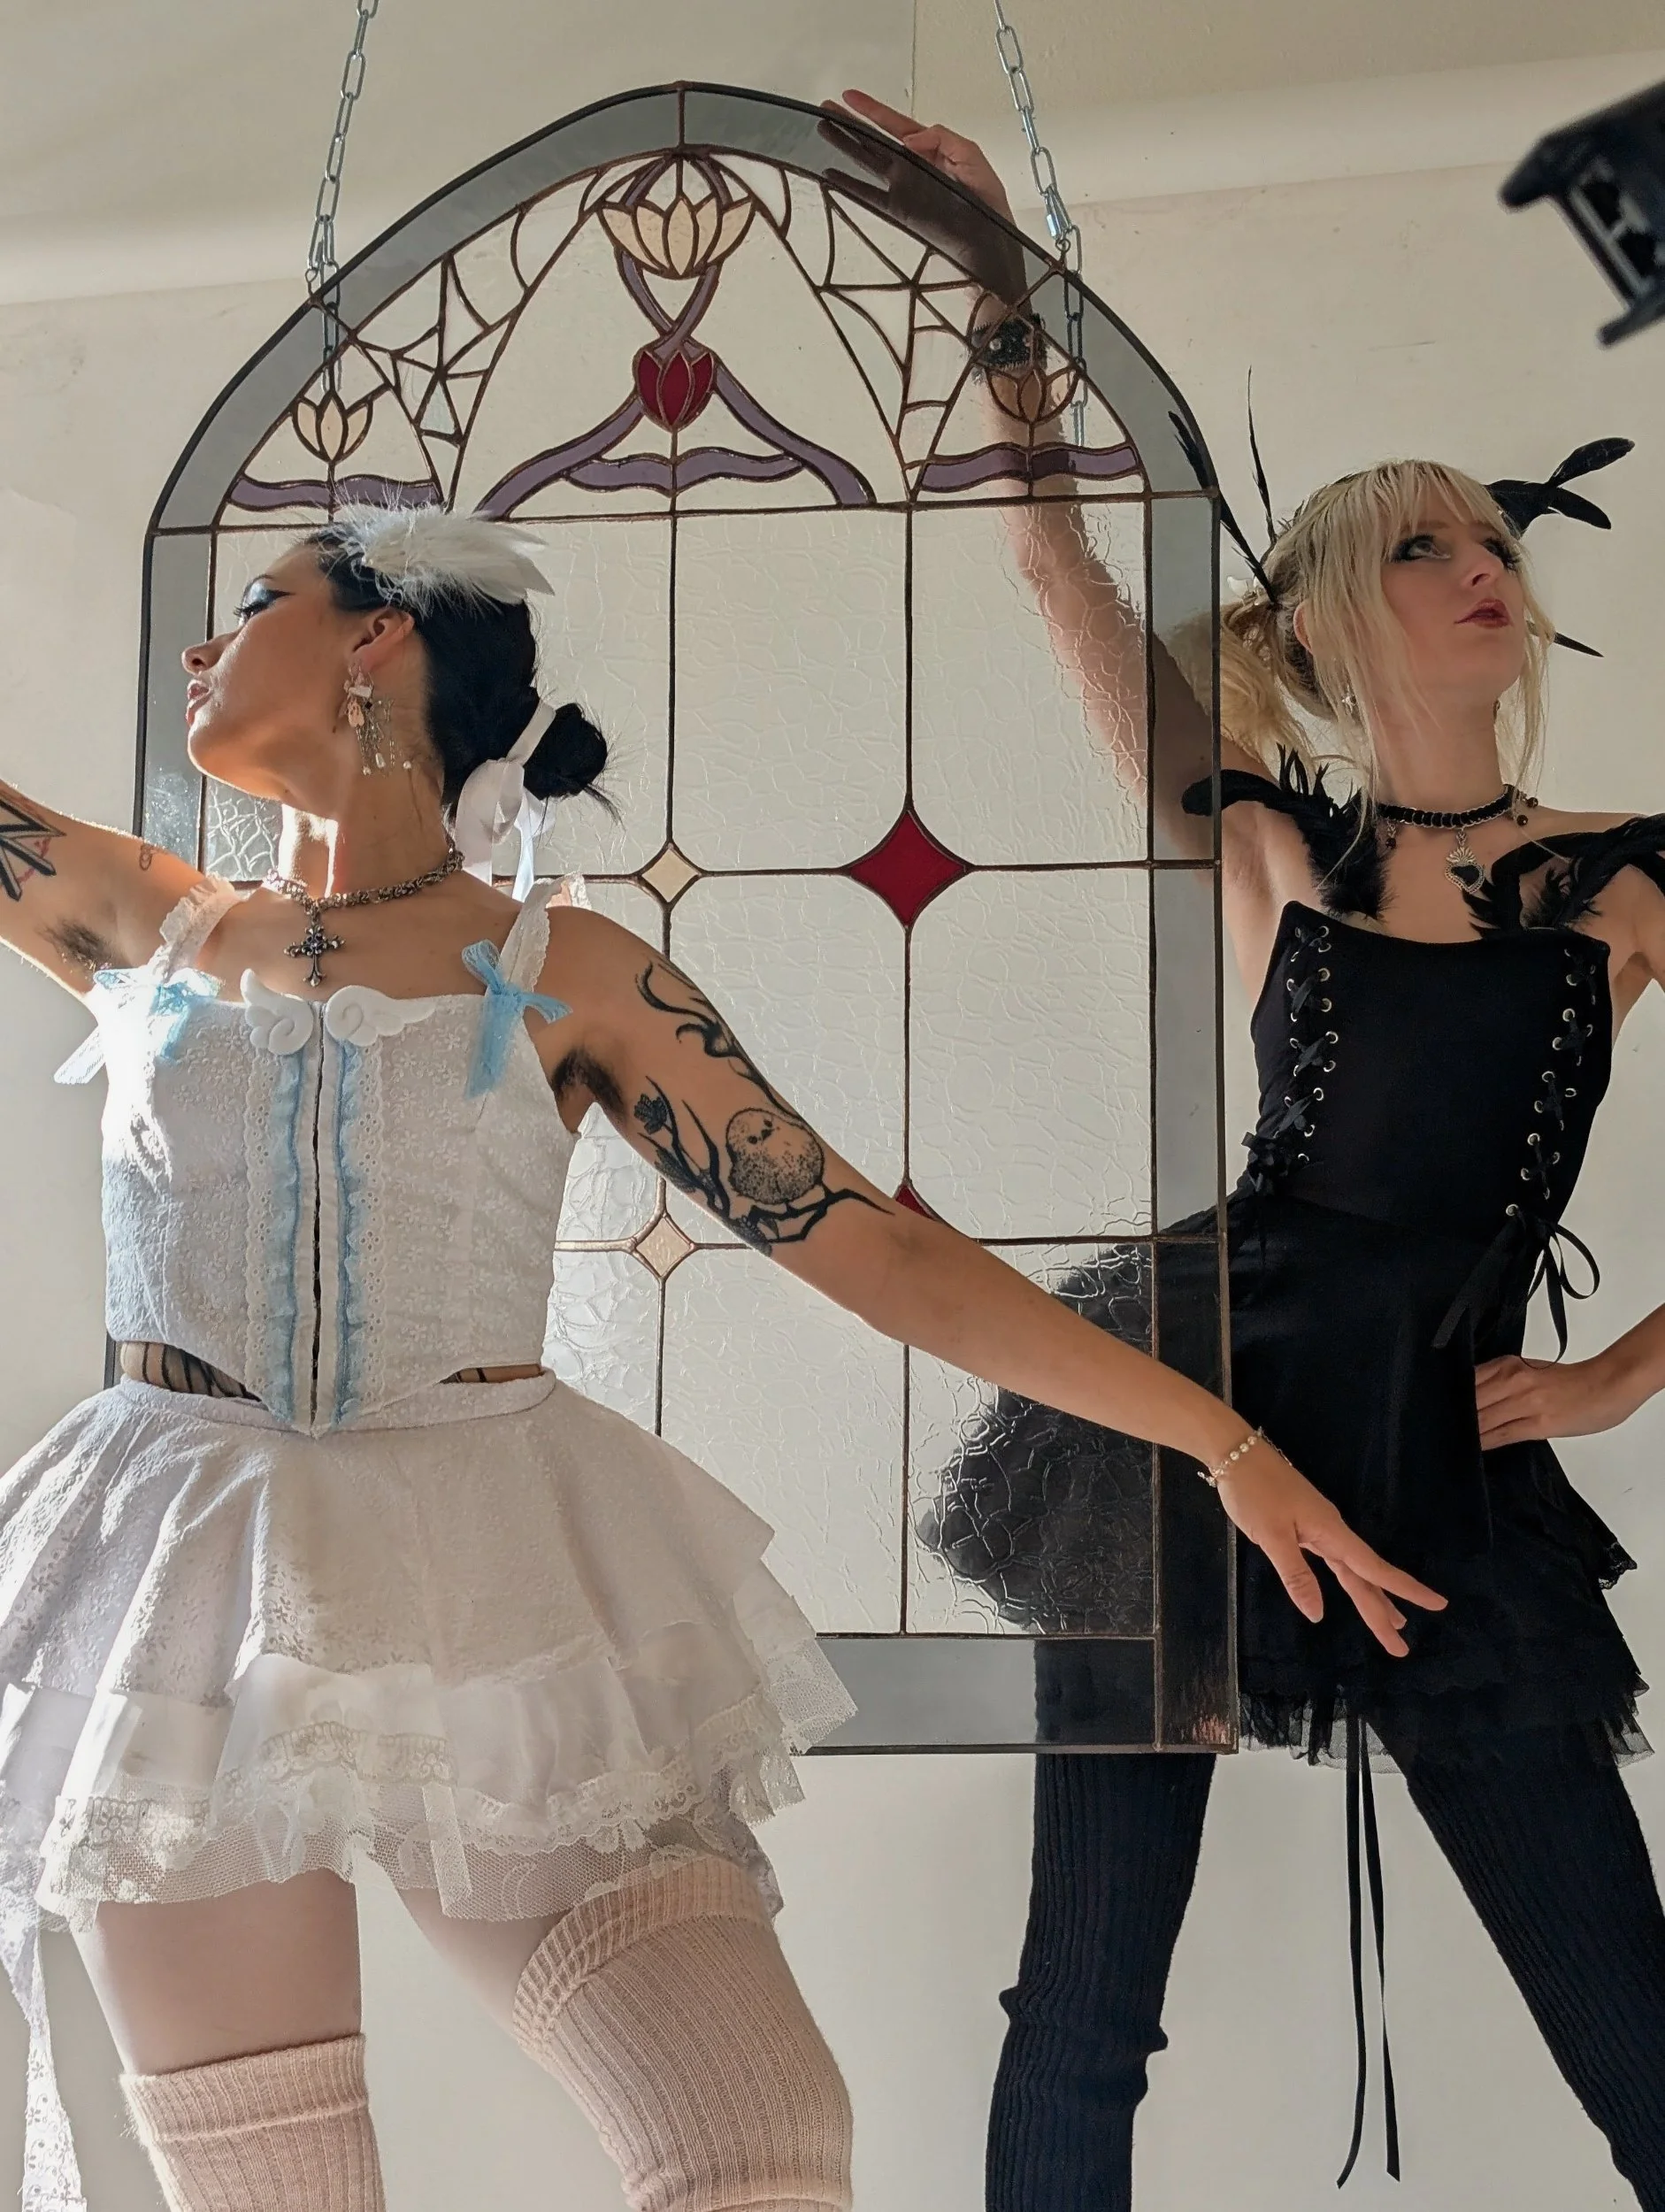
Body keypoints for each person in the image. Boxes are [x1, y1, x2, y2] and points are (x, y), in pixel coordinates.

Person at [0, 503, 1433, 2212]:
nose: (199, 650)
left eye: (256, 605)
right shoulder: (142, 920)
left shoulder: (572, 974)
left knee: (754, 2141)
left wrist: (1225, 1445)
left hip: (486, 1574)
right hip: (170, 1593)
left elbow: (881, 1251)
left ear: (378, 636)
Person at [833, 88, 1665, 2212]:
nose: (1480, 566)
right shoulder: (1271, 841)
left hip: (1448, 1458)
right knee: (1083, 2001)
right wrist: (989, 279)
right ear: (1312, 623)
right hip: (1183, 1418)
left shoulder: (1630, 876)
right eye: (1419, 544)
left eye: (1490, 537)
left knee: (1636, 2031)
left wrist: (1619, 1367)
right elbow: (1047, 551)